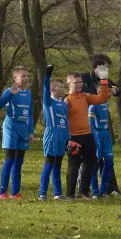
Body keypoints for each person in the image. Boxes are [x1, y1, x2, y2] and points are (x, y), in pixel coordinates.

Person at [64, 69, 110, 199]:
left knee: (91, 162)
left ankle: (83, 192)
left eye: (80, 82)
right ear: (69, 84)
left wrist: (104, 81)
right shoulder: (67, 100)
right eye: (76, 82)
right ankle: (70, 194)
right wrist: (67, 139)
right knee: (74, 165)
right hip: (74, 137)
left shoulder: (85, 97)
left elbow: (103, 98)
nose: (79, 84)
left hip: (88, 135)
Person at [81, 53, 121, 195]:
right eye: (105, 67)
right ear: (96, 68)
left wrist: (114, 90)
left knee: (108, 159)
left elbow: (118, 89)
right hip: (88, 121)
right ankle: (86, 186)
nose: (107, 71)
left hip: (103, 123)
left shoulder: (106, 80)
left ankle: (110, 188)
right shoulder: (84, 78)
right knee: (91, 159)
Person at [0, 66, 34, 200]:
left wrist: (31, 131)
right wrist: (10, 94)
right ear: (15, 78)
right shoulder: (10, 91)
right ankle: (2, 192)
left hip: (23, 129)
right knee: (9, 159)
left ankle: (15, 192)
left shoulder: (29, 93)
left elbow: (30, 113)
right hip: (11, 127)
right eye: (23, 76)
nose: (26, 78)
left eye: (27, 76)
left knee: (19, 161)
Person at [39, 64, 70, 200]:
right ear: (52, 89)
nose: (63, 90)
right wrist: (47, 75)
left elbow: (66, 122)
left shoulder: (63, 103)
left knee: (58, 164)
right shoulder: (48, 102)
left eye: (64, 87)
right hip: (52, 135)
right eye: (60, 87)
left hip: (62, 136)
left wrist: (69, 138)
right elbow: (45, 89)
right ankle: (42, 193)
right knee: (49, 163)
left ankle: (58, 193)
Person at [89, 91, 114, 197]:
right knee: (95, 164)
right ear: (100, 92)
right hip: (97, 134)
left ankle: (103, 190)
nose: (110, 93)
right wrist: (93, 138)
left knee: (109, 163)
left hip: (105, 135)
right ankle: (95, 191)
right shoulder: (93, 105)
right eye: (107, 91)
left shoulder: (106, 104)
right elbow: (90, 123)